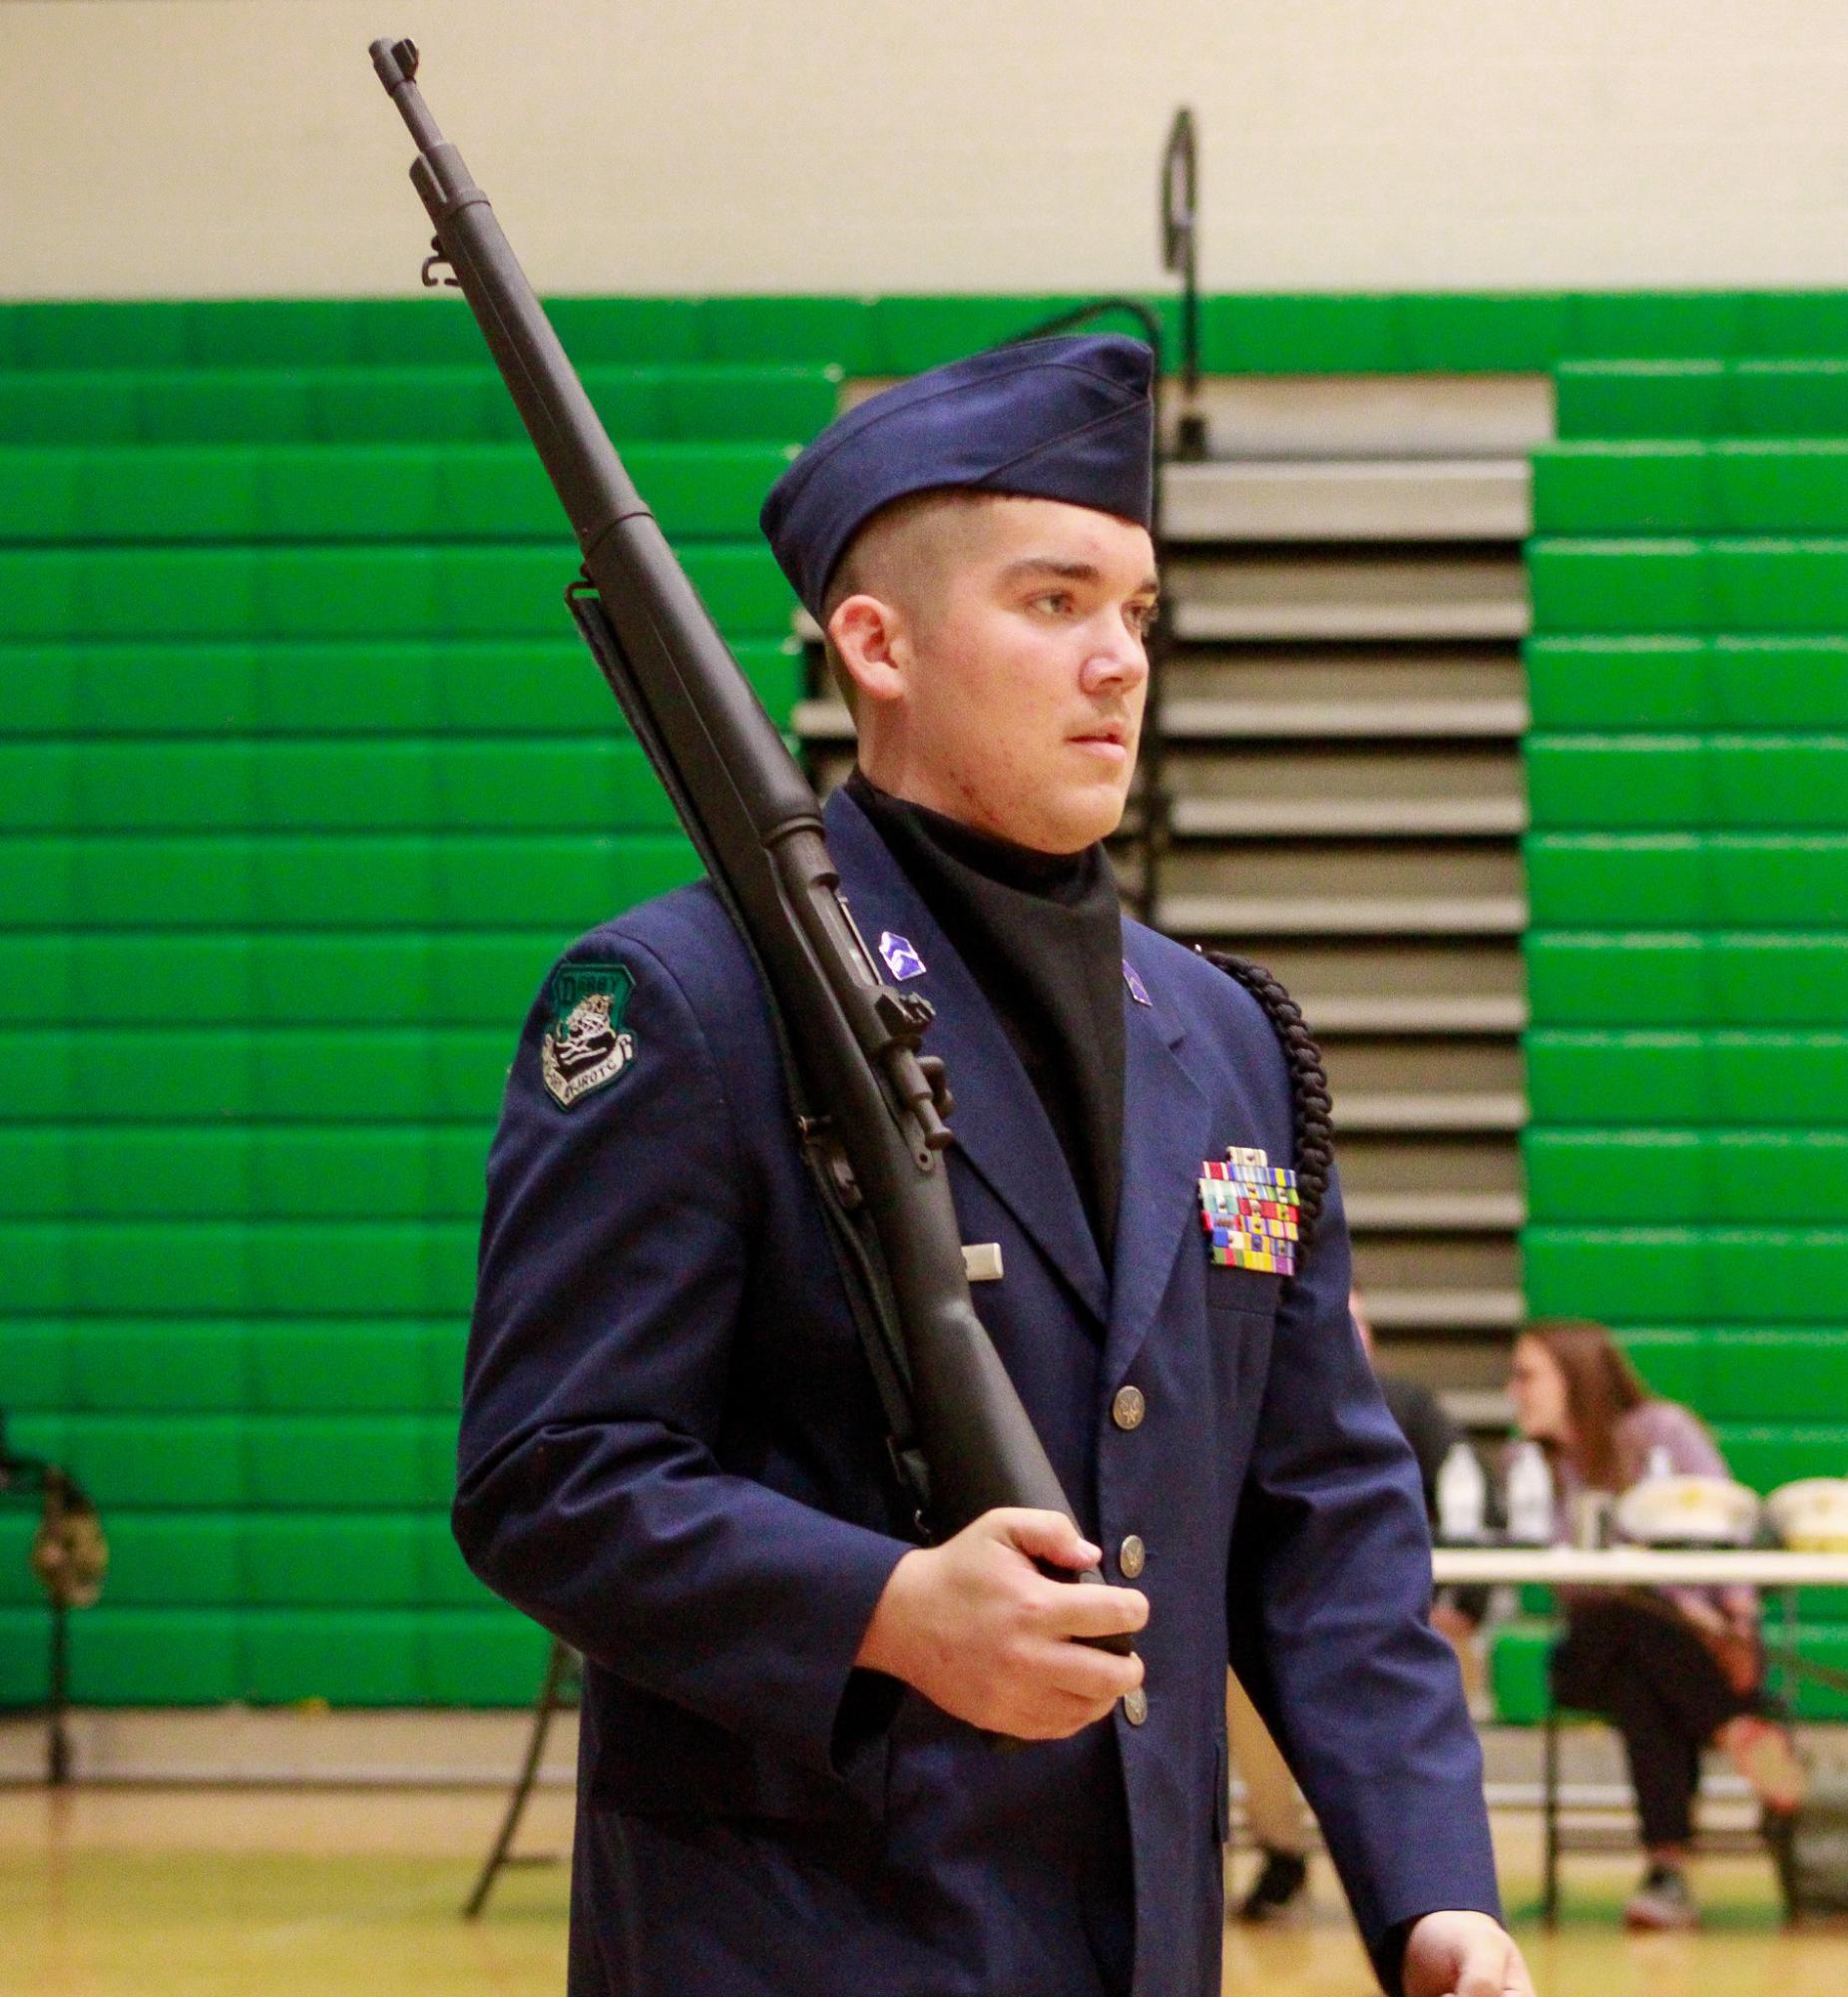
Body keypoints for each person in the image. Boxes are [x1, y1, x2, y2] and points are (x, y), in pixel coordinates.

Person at [456, 334, 1530, 1997]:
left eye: (1138, 611)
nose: (1118, 663)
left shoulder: (1230, 1041)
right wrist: (884, 1607)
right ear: (874, 645)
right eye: (1052, 604)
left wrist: (1433, 1889)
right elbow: (549, 1475)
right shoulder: (688, 1001)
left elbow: (1322, 1513)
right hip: (794, 1949)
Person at [1509, 1318, 1806, 1930]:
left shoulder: (1660, 1432)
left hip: (1689, 1653)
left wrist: (1731, 1609)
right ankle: (1737, 1733)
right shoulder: (1529, 1465)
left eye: (1527, 1375)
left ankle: (1667, 1873)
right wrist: (1658, 1590)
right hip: (1592, 1647)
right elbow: (1560, 1579)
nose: (1515, 1391)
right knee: (1626, 1619)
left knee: (1642, 1683)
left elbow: (1729, 1527)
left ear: (1573, 1376)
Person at [1231, 1290, 1490, 1924]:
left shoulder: (1409, 1407)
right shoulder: (1244, 1412)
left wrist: (1462, 1608)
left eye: (1355, 1323)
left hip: (1398, 1618)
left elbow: (1473, 1508)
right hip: (1279, 1626)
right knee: (1238, 1693)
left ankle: (1434, 1887)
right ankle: (1284, 1851)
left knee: (1420, 1674)